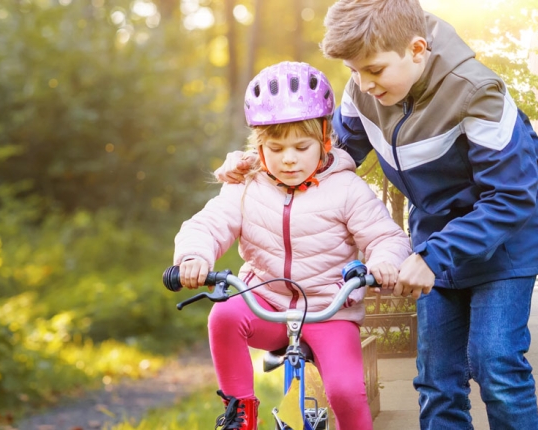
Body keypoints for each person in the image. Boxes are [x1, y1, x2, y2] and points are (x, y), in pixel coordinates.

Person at [213, 0, 538, 427]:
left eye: (373, 70)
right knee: (437, 379)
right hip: (433, 238)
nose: (363, 84)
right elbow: (325, 158)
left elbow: (512, 197)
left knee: (495, 363)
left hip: (503, 239)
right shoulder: (363, 91)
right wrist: (256, 167)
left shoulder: (478, 92)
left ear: (416, 49)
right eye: (354, 71)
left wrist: (434, 257)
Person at [173, 61, 413, 430]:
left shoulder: (346, 188)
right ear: (259, 147)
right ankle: (242, 415)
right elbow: (209, 224)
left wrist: (384, 262)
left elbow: (386, 237)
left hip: (329, 312)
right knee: (224, 315)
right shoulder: (246, 186)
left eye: (302, 147)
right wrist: (194, 256)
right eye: (276, 147)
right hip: (265, 305)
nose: (289, 158)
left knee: (348, 392)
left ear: (325, 141)